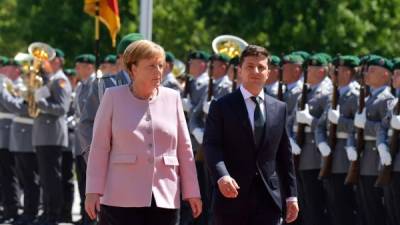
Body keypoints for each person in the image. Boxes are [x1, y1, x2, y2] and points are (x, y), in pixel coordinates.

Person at [85, 40, 202, 225]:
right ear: (133, 69)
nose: (158, 71)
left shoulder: (173, 98)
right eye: (151, 66)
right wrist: (92, 191)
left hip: (165, 194)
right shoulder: (113, 97)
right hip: (120, 195)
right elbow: (99, 147)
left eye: (160, 65)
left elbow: (184, 149)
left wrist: (192, 192)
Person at [203, 45, 298, 225]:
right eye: (250, 66)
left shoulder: (279, 108)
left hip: (269, 199)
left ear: (268, 73)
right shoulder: (222, 106)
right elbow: (212, 145)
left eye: (261, 67)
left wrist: (291, 196)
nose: (256, 71)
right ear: (240, 71)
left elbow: (284, 155)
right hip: (231, 196)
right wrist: (222, 176)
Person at [315, 55, 360, 225]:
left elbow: (359, 127)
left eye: (337, 71)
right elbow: (320, 125)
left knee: (344, 205)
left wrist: (340, 121)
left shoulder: (356, 95)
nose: (333, 74)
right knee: (332, 204)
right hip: (329, 154)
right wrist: (321, 143)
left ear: (348, 73)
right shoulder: (333, 93)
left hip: (345, 156)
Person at [33, 47, 72, 225]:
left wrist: (40, 103)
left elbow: (62, 109)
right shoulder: (49, 80)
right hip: (43, 134)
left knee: (52, 177)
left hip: (53, 134)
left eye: (47, 59)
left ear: (58, 61)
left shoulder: (61, 80)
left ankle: (54, 214)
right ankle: (47, 211)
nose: (43, 63)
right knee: (45, 177)